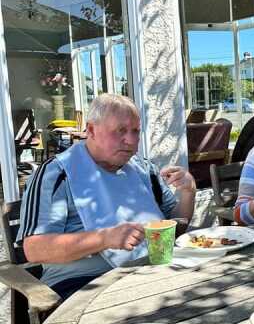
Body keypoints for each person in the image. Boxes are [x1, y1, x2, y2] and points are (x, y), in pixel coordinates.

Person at [17, 94, 196, 299]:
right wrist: (104, 238)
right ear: (91, 130)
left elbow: (175, 226)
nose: (130, 140)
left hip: (148, 273)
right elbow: (35, 249)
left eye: (135, 131)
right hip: (83, 285)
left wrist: (188, 192)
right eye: (120, 130)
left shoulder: (144, 169)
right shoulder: (57, 173)